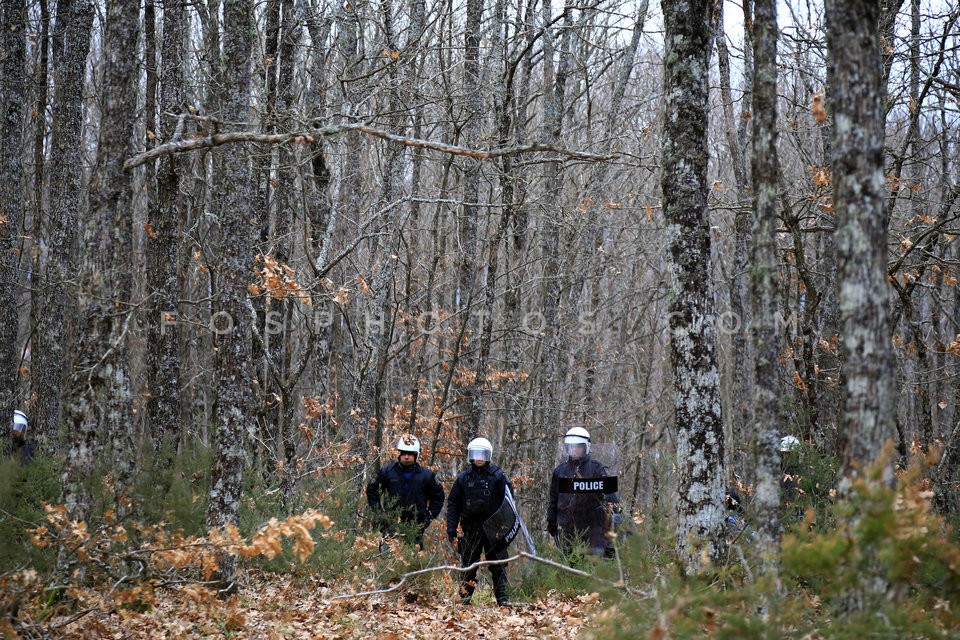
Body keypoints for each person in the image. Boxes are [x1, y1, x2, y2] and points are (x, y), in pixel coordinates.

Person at [446, 437, 513, 606]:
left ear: (488, 456)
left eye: (483, 454)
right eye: (476, 454)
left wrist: (505, 528)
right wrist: (451, 528)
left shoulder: (498, 477)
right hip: (471, 528)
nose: (479, 458)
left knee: (498, 566)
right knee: (469, 566)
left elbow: (509, 502)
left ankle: (503, 600)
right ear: (471, 456)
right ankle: (465, 599)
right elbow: (453, 503)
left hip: (494, 530)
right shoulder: (463, 478)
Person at [546, 427, 621, 556]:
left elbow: (610, 497)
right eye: (570, 446)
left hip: (593, 528)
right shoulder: (560, 471)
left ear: (586, 447)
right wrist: (551, 521)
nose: (573, 450)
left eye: (578, 447)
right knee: (571, 565)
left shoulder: (597, 469)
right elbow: (554, 499)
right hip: (568, 528)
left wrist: (616, 513)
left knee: (596, 563)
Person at [366, 434, 444, 549]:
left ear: (416, 455)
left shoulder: (427, 476)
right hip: (391, 525)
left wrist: (428, 517)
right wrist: (379, 513)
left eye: (410, 454)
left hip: (415, 527)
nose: (406, 457)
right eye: (403, 453)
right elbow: (372, 490)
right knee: (388, 562)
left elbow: (438, 497)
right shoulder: (387, 472)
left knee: (413, 562)